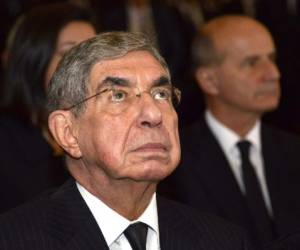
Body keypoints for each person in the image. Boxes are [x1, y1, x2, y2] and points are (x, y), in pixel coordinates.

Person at [0, 31, 255, 250]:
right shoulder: (14, 240)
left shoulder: (224, 241)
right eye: (119, 95)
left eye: (160, 94)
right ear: (68, 132)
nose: (153, 114)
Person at [158, 15, 300, 248]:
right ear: (209, 80)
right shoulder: (172, 161)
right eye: (252, 62)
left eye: (272, 59)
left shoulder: (293, 151)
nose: (273, 73)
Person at [0, 2, 98, 213]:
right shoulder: (7, 141)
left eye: (93, 55)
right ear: (34, 59)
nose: (86, 66)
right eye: (69, 54)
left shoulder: (103, 133)